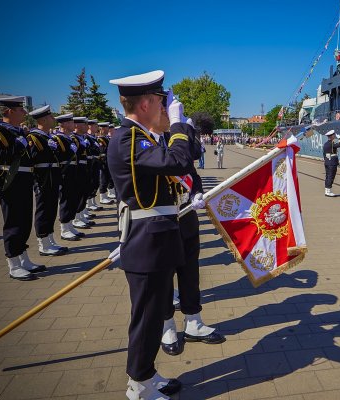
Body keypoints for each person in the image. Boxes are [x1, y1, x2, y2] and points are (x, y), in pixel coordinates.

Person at [108, 70, 200, 400]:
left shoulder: (141, 137)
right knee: (146, 320)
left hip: (156, 240)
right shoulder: (128, 139)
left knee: (155, 311)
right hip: (146, 242)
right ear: (146, 103)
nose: (166, 108)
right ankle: (137, 387)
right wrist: (177, 124)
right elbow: (178, 162)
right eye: (162, 102)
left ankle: (146, 376)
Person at [156, 114, 225, 357]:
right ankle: (166, 326)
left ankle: (193, 321)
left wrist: (197, 191)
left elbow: (190, 167)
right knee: (163, 275)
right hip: (161, 218)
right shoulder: (145, 139)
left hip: (185, 214)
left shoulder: (178, 134)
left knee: (190, 270)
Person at [0, 97, 46, 281]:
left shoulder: (20, 131)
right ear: (9, 111)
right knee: (13, 222)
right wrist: (17, 147)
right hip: (10, 182)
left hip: (24, 180)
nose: (24, 113)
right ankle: (13, 264)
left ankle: (23, 259)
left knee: (25, 220)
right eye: (21, 110)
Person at [27, 105, 68, 256]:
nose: (53, 119)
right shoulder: (34, 137)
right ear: (43, 119)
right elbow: (32, 159)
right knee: (43, 209)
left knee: (51, 208)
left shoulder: (48, 137)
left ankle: (50, 239)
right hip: (43, 177)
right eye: (50, 117)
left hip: (52, 176)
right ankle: (43, 243)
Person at [54, 113, 86, 241]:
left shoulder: (69, 139)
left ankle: (70, 225)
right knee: (66, 200)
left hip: (73, 172)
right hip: (65, 172)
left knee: (72, 198)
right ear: (65, 124)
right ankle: (64, 229)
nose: (74, 125)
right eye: (71, 122)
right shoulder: (58, 139)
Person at [72, 117, 94, 229]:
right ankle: (76, 218)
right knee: (77, 194)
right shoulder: (73, 138)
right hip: (78, 169)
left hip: (85, 167)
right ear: (76, 126)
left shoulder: (82, 138)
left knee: (83, 192)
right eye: (84, 124)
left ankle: (80, 215)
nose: (87, 126)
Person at [97, 122, 115, 205]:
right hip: (104, 162)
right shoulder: (100, 139)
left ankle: (106, 195)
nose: (109, 129)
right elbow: (102, 152)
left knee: (107, 178)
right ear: (103, 129)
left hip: (108, 161)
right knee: (103, 179)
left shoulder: (106, 138)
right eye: (107, 127)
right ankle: (102, 197)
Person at [323, 129, 340, 197]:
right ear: (331, 136)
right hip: (332, 162)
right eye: (334, 135)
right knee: (331, 176)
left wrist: (326, 160)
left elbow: (324, 154)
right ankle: (328, 191)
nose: (335, 135)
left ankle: (327, 190)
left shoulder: (325, 144)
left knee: (328, 176)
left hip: (327, 162)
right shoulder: (332, 143)